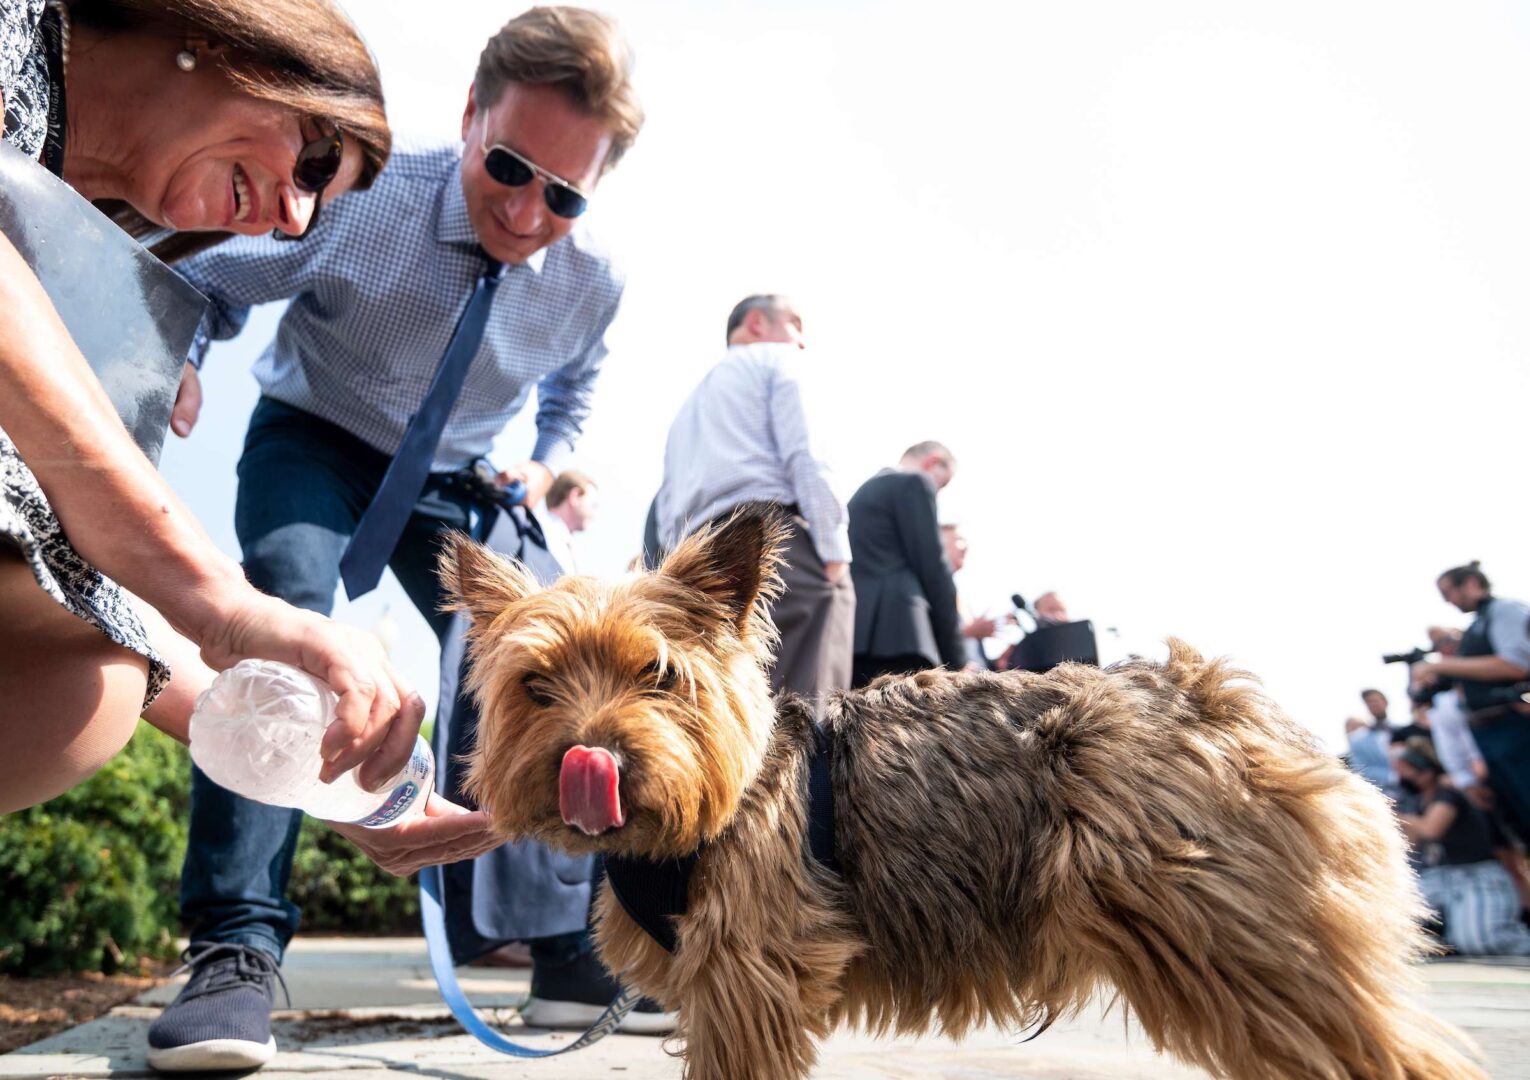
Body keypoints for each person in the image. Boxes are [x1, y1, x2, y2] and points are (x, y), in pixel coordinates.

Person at [149, 7, 657, 1069]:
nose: (526, 212)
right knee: (284, 630)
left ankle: (563, 949)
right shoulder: (366, 195)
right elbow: (207, 279)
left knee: (554, 667)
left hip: (454, 484)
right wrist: (177, 355)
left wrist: (552, 453)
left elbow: (576, 382)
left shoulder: (593, 278)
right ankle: (234, 948)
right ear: (472, 115)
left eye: (564, 193)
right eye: (509, 166)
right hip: (316, 442)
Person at [0, 1, 462, 841]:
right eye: (319, 165)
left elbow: (85, 585)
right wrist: (222, 599)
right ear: (234, 41)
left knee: (97, 668)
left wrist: (317, 769)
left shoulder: (88, 283)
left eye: (318, 205)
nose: (296, 220)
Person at [654, 294, 854, 696]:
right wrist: (834, 552)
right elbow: (807, 454)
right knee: (809, 711)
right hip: (775, 544)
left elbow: (664, 508)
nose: (802, 340)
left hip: (694, 556)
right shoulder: (776, 361)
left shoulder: (686, 410)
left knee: (722, 695)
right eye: (795, 323)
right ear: (758, 323)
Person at [1414, 563, 1530, 835]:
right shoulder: (1478, 624)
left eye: (1448, 592)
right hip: (1490, 734)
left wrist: (1438, 666)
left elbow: (1516, 664)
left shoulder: (1505, 610)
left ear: (1470, 583)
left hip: (1515, 727)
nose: (1447, 601)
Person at [1392, 739, 1530, 956]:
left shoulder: (1448, 794)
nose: (1404, 777)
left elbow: (1430, 830)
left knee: (1480, 942)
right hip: (1441, 877)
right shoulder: (1417, 801)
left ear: (1426, 770)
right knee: (1393, 910)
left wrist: (1393, 814)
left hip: (1477, 876)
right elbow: (1413, 843)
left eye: (1408, 771)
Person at [847, 440, 965, 687]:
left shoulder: (861, 494)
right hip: (904, 635)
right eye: (942, 483)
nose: (938, 490)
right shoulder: (915, 482)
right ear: (933, 462)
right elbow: (932, 568)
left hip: (856, 636)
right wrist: (957, 658)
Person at [941, 523, 998, 669]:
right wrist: (969, 632)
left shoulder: (961, 597)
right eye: (958, 540)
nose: (965, 548)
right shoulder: (925, 590)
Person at [542, 469, 599, 574]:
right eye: (593, 505)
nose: (595, 515)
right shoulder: (542, 533)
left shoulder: (567, 544)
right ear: (575, 496)